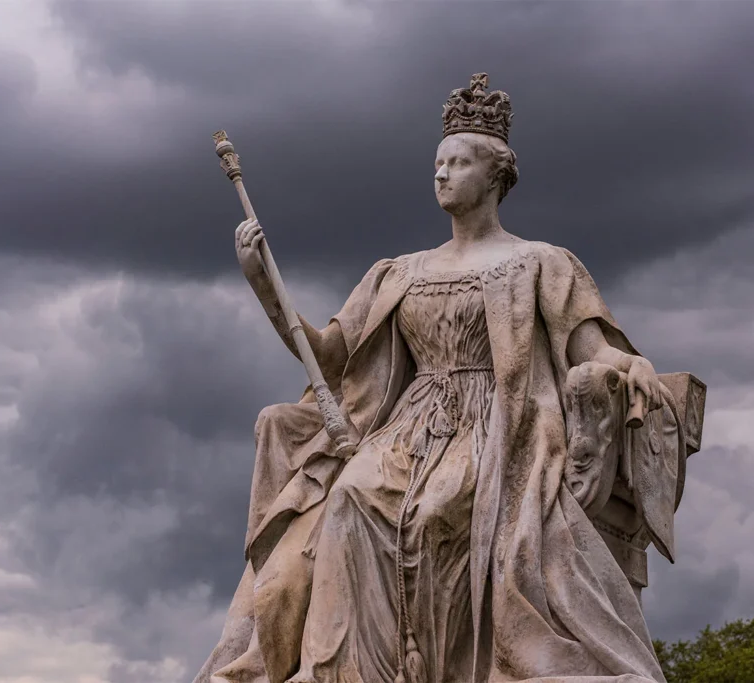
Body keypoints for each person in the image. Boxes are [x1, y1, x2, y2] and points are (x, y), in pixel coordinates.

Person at [197, 73, 669, 683]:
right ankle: (345, 670)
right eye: (438, 163)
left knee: (436, 512)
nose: (442, 175)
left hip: (497, 425)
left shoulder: (541, 262)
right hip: (406, 427)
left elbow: (590, 348)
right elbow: (328, 357)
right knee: (350, 499)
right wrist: (264, 284)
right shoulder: (399, 272)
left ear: (495, 177)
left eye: (459, 163)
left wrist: (630, 364)